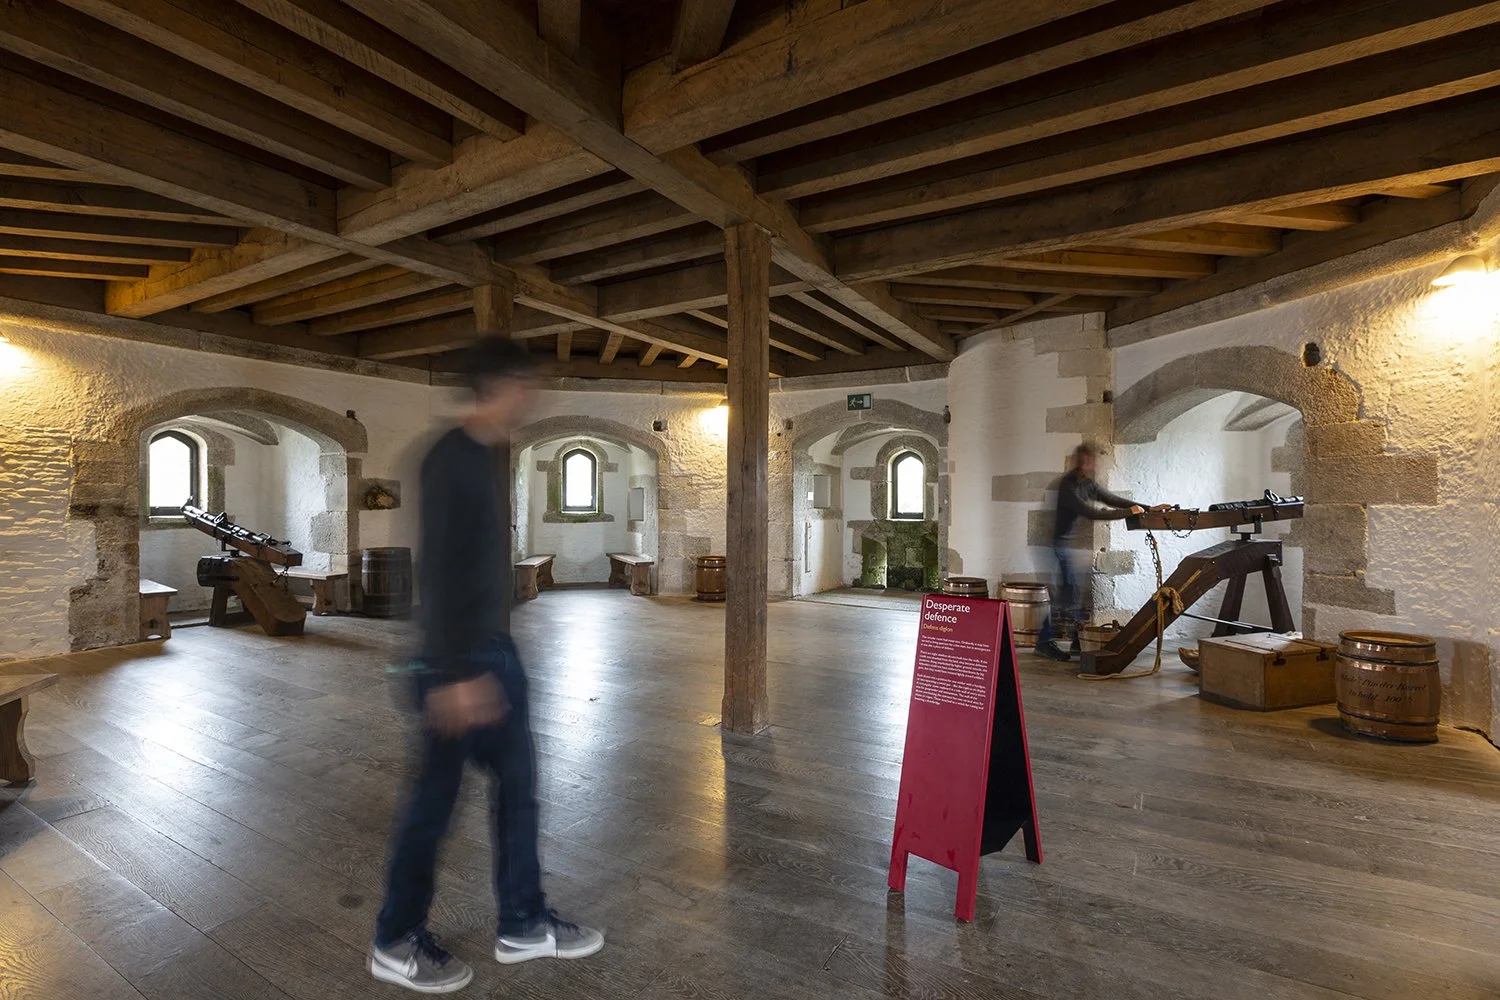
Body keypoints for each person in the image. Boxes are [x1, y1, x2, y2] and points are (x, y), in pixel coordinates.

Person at [370, 337, 603, 993]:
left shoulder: (480, 454)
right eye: (527, 382)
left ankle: (523, 923)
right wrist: (453, 674)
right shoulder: (452, 458)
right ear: (500, 385)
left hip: (491, 653)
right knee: (433, 808)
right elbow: (440, 569)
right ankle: (394, 939)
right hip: (460, 665)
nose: (534, 395)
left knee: (518, 790)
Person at [1035, 443, 1169, 662]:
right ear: (1077, 460)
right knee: (1068, 593)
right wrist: (1128, 512)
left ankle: (1075, 640)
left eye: (1090, 461)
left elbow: (1111, 499)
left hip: (1065, 545)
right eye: (1083, 460)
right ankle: (1046, 642)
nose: (1087, 464)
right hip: (1056, 545)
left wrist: (1147, 507)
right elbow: (1090, 512)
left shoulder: (1086, 484)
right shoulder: (1067, 485)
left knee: (1073, 592)